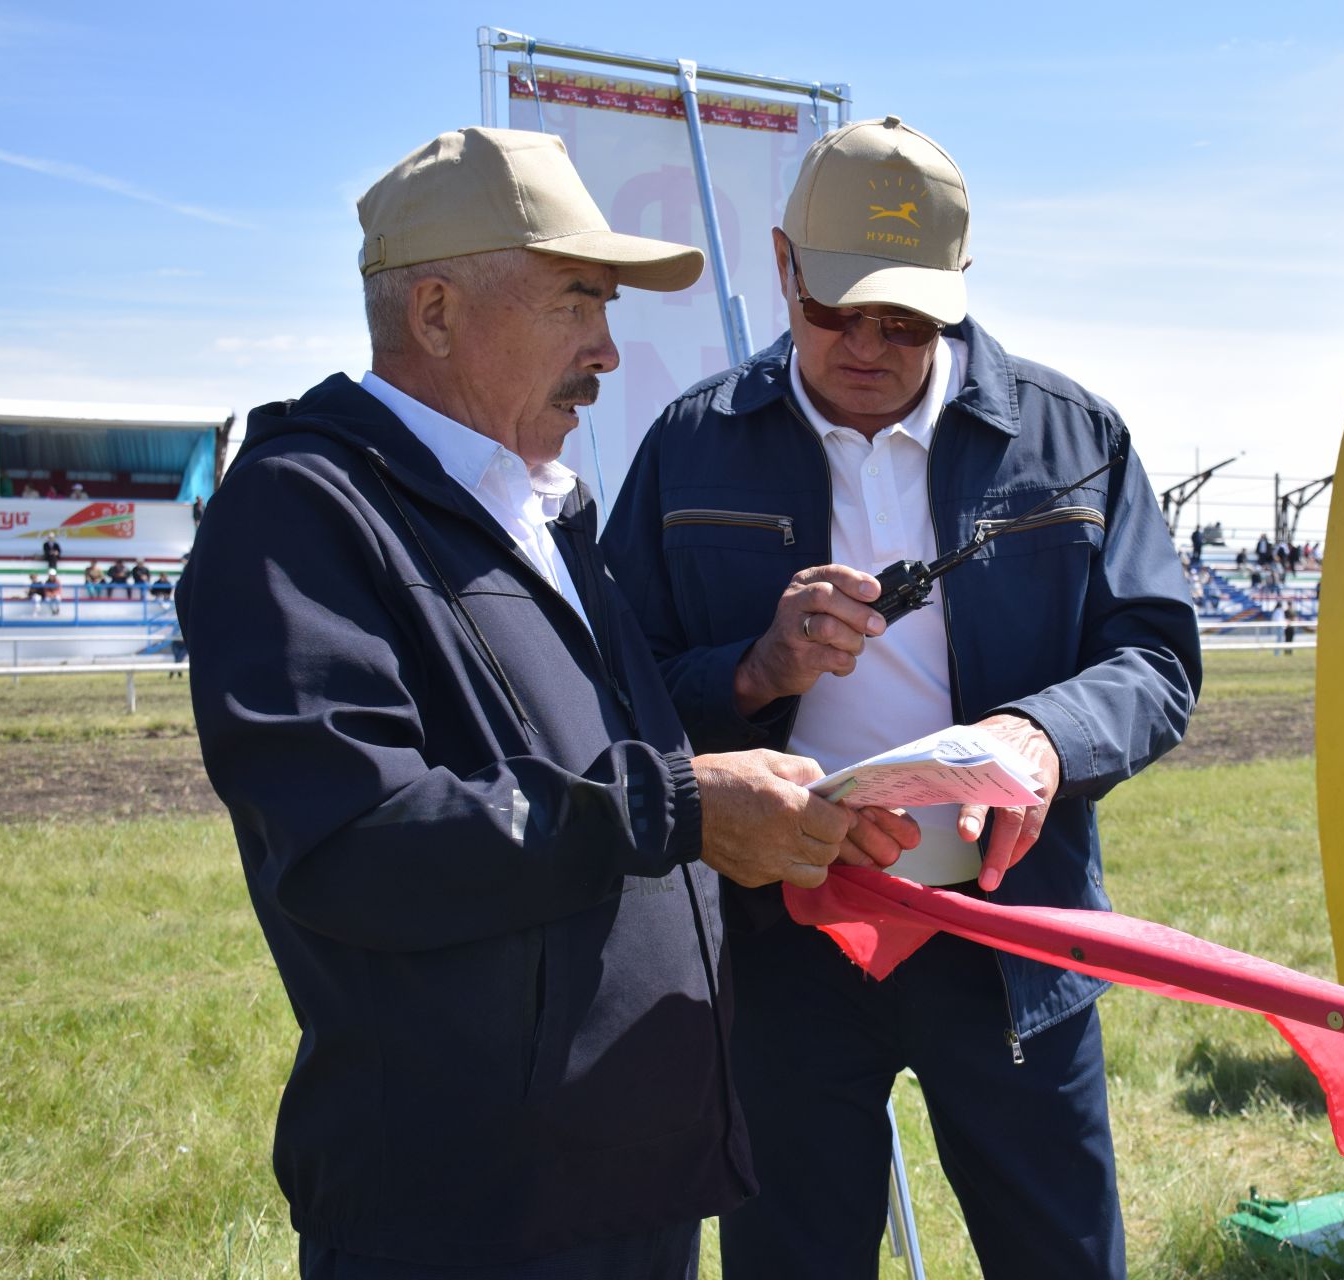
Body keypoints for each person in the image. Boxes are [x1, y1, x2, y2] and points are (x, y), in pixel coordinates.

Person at [178, 126, 875, 1278]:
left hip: (628, 1180)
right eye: (574, 301)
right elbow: (354, 842)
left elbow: (589, 757)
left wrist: (768, 735)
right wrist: (683, 810)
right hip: (467, 1219)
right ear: (437, 312)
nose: (608, 347)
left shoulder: (534, 509)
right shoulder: (301, 516)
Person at [603, 116, 1201, 1279]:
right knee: (792, 1256)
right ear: (782, 266)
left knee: (1061, 1254)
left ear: (958, 290)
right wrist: (753, 671)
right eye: (835, 309)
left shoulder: (1072, 438)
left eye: (907, 317)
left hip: (1011, 931)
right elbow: (612, 689)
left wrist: (1038, 736)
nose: (869, 344)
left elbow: (1157, 658)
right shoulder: (690, 447)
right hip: (785, 934)